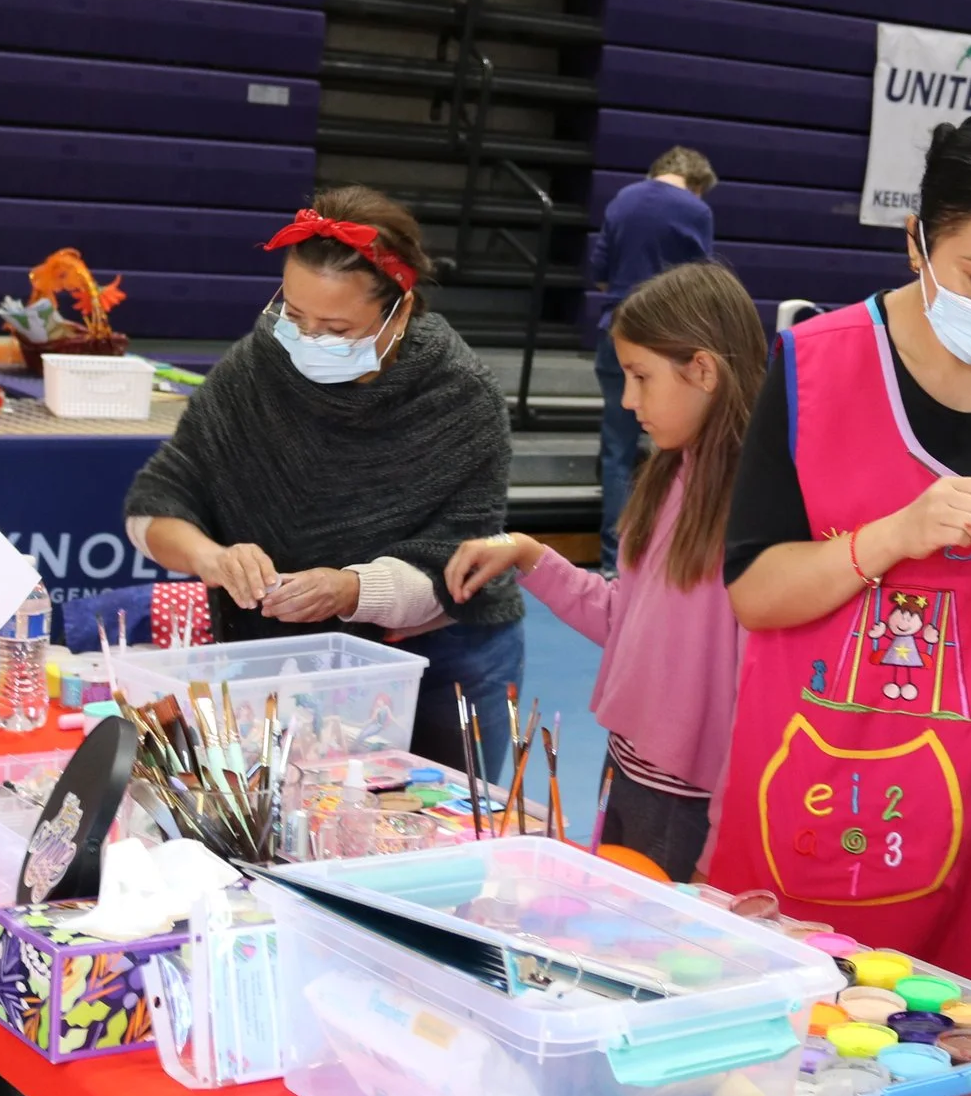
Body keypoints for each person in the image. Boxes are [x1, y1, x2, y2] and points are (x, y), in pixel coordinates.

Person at [710, 118, 971, 994]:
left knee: (963, 1026)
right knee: (797, 1011)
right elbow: (756, 592)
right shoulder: (813, 365)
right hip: (831, 779)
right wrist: (890, 539)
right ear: (917, 243)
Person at [122, 186, 525, 773]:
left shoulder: (461, 399)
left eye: (336, 328)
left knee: (440, 828)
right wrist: (211, 559)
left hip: (440, 662)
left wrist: (352, 590)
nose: (307, 341)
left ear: (401, 311)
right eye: (293, 313)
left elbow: (458, 565)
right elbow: (153, 505)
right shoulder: (258, 366)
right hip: (288, 663)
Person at [444, 262, 766, 879]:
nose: (627, 400)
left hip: (690, 804)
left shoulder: (753, 507)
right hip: (627, 770)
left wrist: (726, 839)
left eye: (641, 377)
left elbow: (759, 700)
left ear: (703, 370)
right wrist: (531, 555)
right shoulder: (671, 471)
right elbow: (628, 618)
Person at [589, 147, 718, 571]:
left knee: (617, 449)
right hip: (672, 341)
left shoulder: (622, 199)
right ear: (696, 182)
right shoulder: (695, 209)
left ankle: (614, 563)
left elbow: (600, 269)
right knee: (684, 450)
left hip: (618, 331)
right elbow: (699, 284)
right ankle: (669, 560)